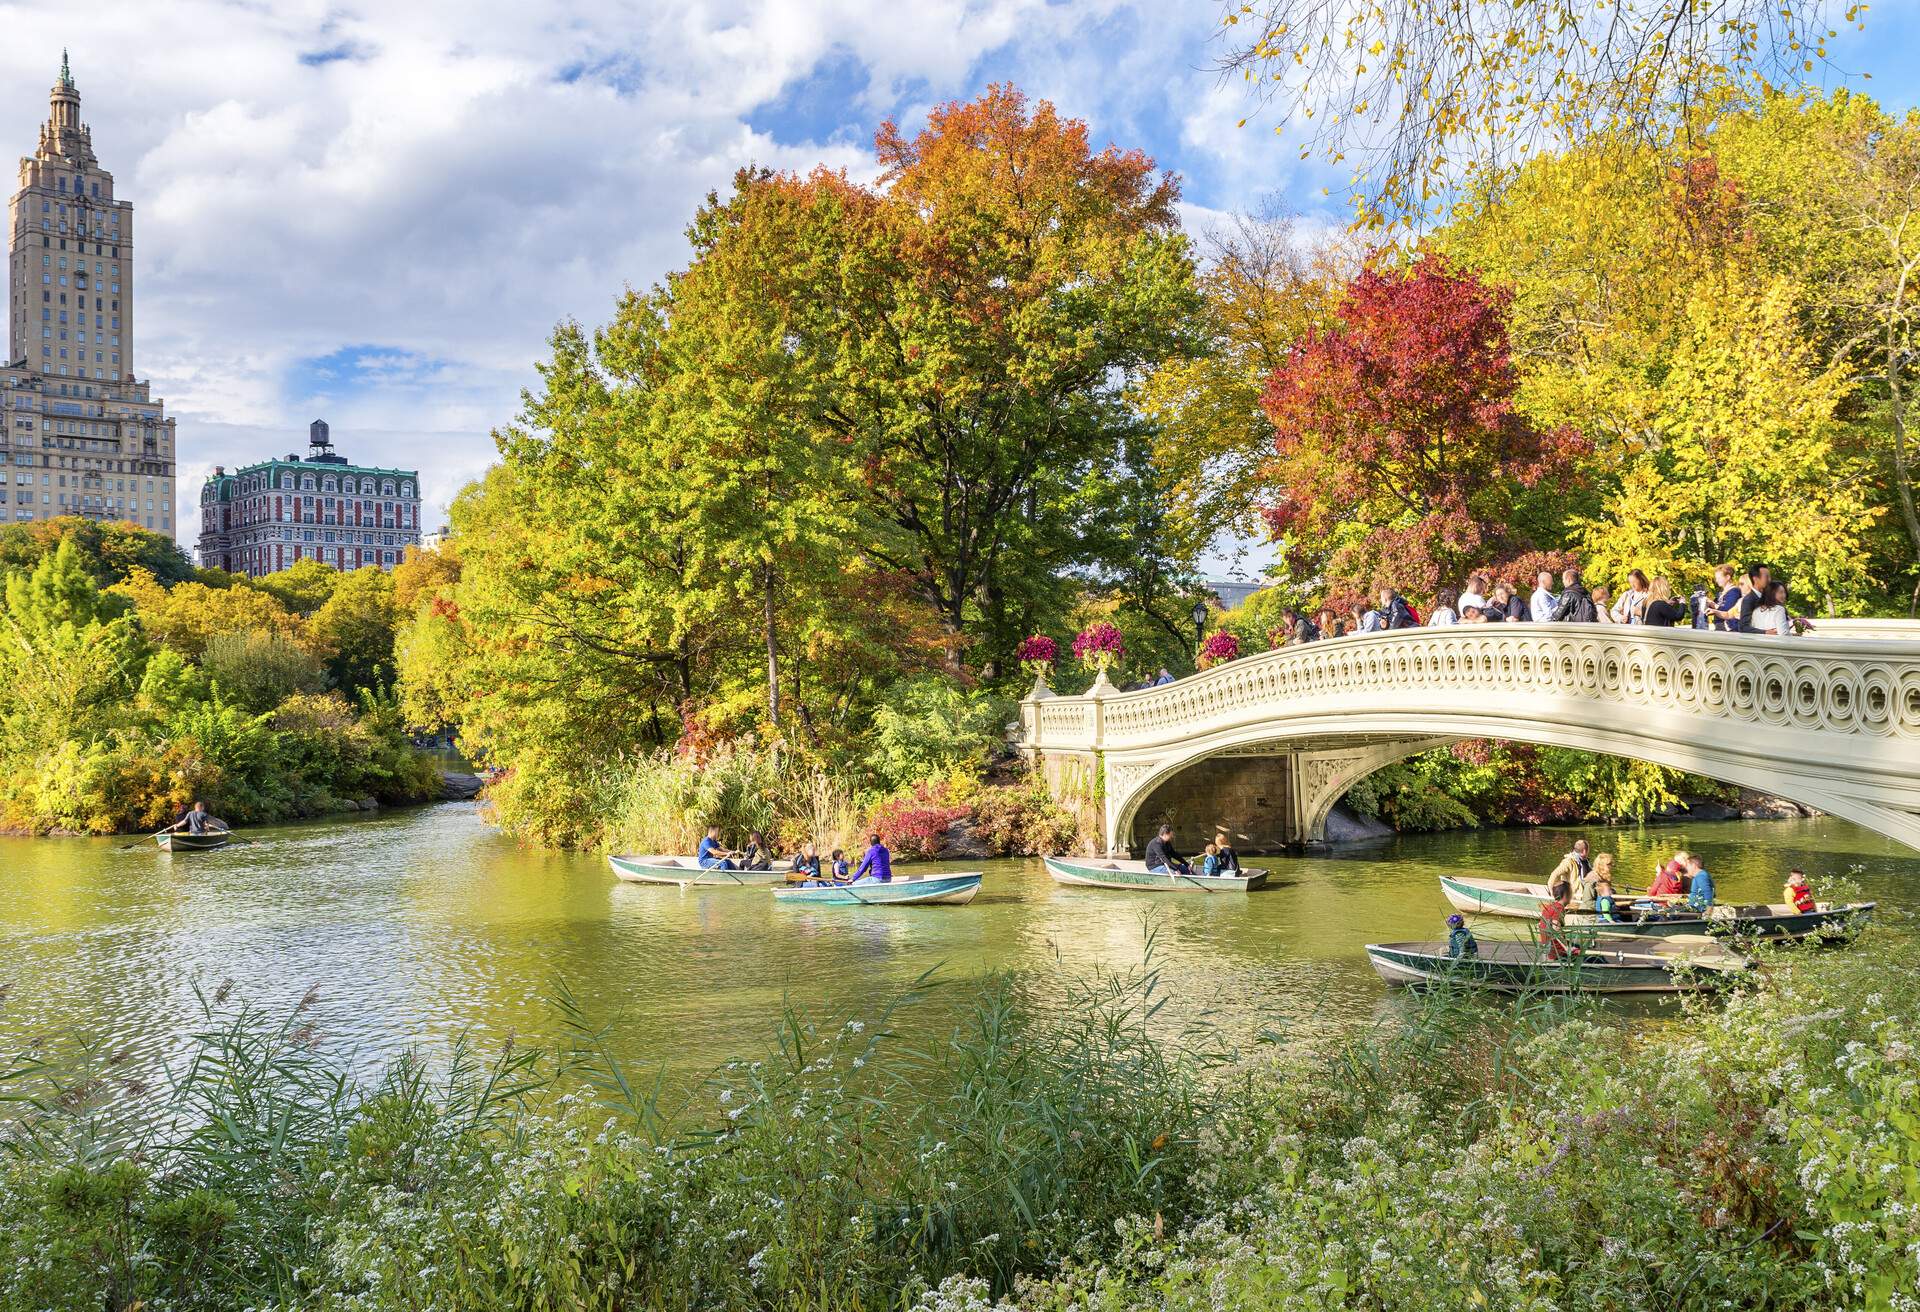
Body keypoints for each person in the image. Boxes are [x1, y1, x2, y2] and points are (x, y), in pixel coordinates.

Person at [1547, 839, 1591, 903]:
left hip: (1583, 894)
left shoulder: (1586, 862)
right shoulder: (1568, 862)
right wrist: (1551, 892)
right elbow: (1554, 874)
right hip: (1573, 896)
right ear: (1584, 851)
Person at [1706, 563, 1744, 632]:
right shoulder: (1722, 593)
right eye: (1716, 578)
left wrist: (1712, 604)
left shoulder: (1734, 592)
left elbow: (1727, 611)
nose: (1717, 580)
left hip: (1729, 628)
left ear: (1728, 577)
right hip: (1720, 626)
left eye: (1719, 578)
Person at [1737, 564, 1772, 634]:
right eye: (1766, 577)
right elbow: (1744, 627)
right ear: (1755, 579)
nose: (1770, 580)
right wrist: (1765, 632)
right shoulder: (1748, 600)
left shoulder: (1769, 597)